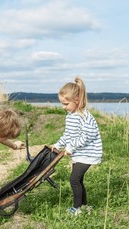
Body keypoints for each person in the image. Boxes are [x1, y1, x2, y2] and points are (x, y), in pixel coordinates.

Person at [51, 77, 102, 216]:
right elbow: (68, 134)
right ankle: (85, 206)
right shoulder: (70, 115)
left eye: (66, 104)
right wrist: (58, 145)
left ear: (77, 100)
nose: (63, 107)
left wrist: (71, 147)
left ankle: (77, 209)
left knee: (74, 179)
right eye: (62, 104)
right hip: (80, 154)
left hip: (89, 153)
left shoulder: (84, 116)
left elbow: (86, 136)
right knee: (78, 180)